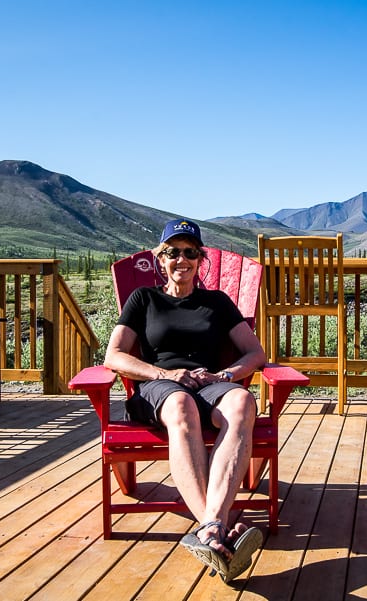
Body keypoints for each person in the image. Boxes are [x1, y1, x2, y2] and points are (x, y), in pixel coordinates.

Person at [103, 218, 266, 583]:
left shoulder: (217, 302)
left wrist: (224, 375)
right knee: (181, 406)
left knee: (242, 403)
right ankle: (218, 526)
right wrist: (164, 375)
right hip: (159, 387)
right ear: (161, 259)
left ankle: (209, 532)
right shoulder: (144, 299)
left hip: (208, 383)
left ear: (199, 259)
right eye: (173, 252)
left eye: (190, 252)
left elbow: (255, 354)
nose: (182, 259)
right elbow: (114, 356)